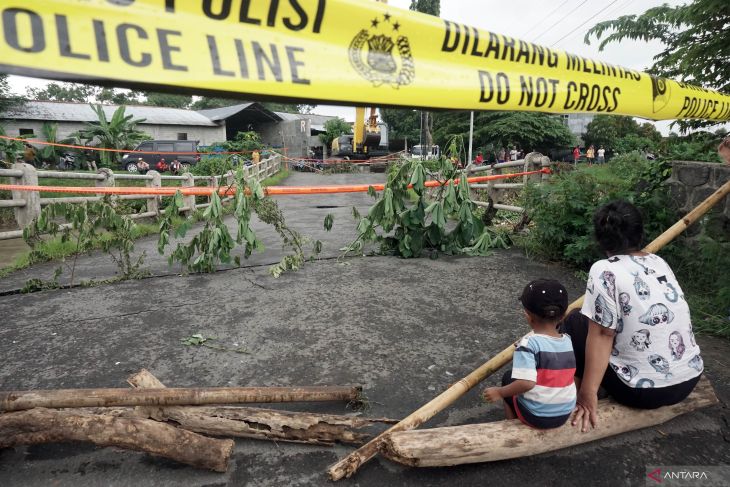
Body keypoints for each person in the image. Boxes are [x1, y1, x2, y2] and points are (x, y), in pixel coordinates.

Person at [561, 200, 702, 433]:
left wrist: (588, 394)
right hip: (688, 380)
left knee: (576, 321)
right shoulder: (658, 262)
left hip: (640, 391)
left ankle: (578, 395)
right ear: (639, 233)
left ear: (599, 238)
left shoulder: (604, 269)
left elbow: (603, 334)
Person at [483, 279, 576, 429]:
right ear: (563, 314)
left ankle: (510, 425)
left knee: (508, 378)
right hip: (564, 413)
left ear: (528, 316)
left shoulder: (527, 344)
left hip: (538, 416)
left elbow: (526, 383)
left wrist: (499, 392)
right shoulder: (567, 341)